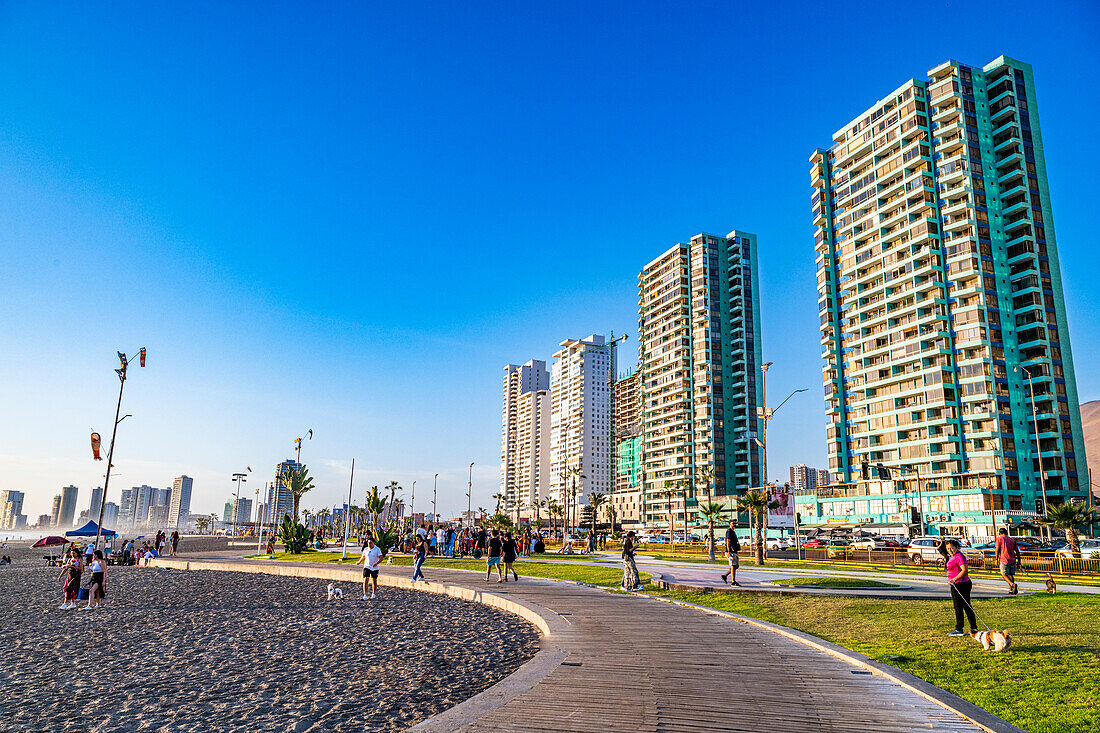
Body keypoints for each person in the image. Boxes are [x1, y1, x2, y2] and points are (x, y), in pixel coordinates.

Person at [938, 538, 978, 636]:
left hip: (961, 584)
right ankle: (972, 628)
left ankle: (960, 629)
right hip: (956, 584)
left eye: (952, 548)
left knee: (961, 606)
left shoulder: (959, 556)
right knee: (962, 606)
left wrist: (954, 579)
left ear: (957, 547)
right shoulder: (952, 556)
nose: (950, 550)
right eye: (948, 549)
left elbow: (964, 570)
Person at [995, 528, 1021, 595]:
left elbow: (997, 549)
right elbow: (1017, 551)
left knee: (1004, 574)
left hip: (1004, 559)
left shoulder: (1000, 539)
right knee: (1011, 575)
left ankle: (1012, 584)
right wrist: (1019, 560)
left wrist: (996, 559)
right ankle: (1011, 591)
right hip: (1012, 559)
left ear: (1000, 533)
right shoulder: (1012, 539)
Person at [721, 520, 741, 586]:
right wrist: (729, 551)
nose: (734, 524)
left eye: (735, 523)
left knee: (736, 566)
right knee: (733, 566)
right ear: (730, 524)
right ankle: (733, 581)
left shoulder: (733, 532)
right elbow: (728, 541)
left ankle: (725, 575)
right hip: (730, 552)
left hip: (734, 551)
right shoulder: (729, 531)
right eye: (733, 523)